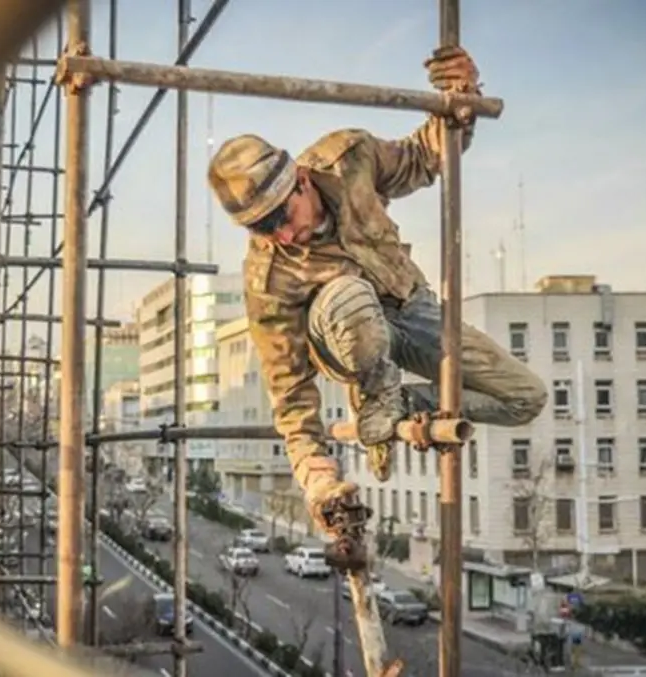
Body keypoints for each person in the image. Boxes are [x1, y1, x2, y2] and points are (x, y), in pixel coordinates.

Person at [206, 46, 547, 536]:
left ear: (301, 181)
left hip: (411, 307)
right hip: (345, 333)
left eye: (281, 217)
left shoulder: (349, 160)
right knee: (348, 294)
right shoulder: (269, 280)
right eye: (262, 229)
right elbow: (290, 394)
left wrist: (461, 100)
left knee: (525, 397)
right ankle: (374, 388)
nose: (280, 236)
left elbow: (423, 159)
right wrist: (319, 481)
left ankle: (394, 405)